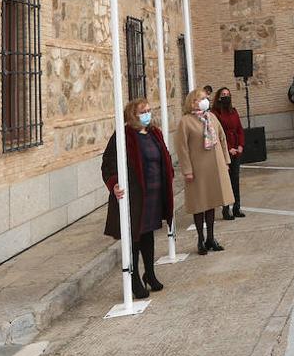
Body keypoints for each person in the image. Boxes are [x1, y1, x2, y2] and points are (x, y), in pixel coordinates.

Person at [102, 98, 174, 299]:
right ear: (133, 114)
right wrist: (114, 184)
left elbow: (164, 156)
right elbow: (107, 163)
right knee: (134, 237)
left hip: (153, 194)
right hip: (134, 196)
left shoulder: (154, 133)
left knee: (148, 235)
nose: (147, 114)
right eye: (143, 111)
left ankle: (149, 274)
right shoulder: (124, 135)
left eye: (149, 110)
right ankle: (133, 280)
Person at [175, 88, 233, 256]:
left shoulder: (211, 117)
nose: (205, 100)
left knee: (212, 202)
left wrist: (226, 161)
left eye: (205, 98)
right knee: (199, 204)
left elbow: (222, 138)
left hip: (215, 166)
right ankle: (200, 238)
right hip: (197, 169)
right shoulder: (185, 122)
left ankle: (211, 238)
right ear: (192, 102)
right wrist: (187, 170)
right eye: (201, 98)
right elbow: (182, 148)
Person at [213, 87, 246, 220]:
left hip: (236, 150)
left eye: (228, 94)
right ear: (219, 97)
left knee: (235, 180)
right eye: (223, 94)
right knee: (225, 181)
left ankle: (237, 207)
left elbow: (239, 129)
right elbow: (218, 134)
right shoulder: (215, 113)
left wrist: (240, 145)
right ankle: (226, 209)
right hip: (225, 150)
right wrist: (228, 148)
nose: (226, 96)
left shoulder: (234, 111)